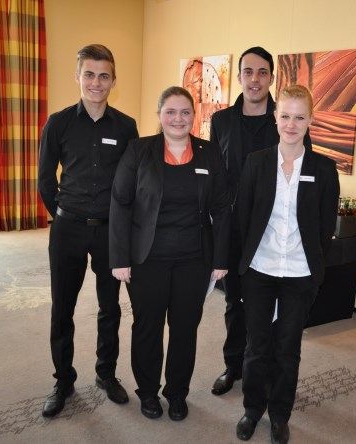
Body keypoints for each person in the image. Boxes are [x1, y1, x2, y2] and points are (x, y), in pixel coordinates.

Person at [109, 86, 230, 421]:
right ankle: (148, 392)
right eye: (171, 112)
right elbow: (120, 203)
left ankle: (177, 393)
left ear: (194, 116)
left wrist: (221, 258)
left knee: (184, 329)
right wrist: (119, 258)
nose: (178, 119)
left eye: (185, 112)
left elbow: (222, 207)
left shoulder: (209, 153)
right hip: (147, 259)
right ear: (159, 115)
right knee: (147, 327)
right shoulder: (139, 150)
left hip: (194, 259)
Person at [37, 44, 139, 417]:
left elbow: (131, 182)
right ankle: (63, 380)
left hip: (110, 232)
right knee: (62, 307)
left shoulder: (126, 126)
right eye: (89, 74)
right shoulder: (58, 123)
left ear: (113, 80)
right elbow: (45, 179)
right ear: (78, 76)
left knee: (109, 307)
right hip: (68, 229)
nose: (96, 83)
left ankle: (105, 374)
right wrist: (64, 215)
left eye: (104, 76)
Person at [234, 85, 339, 443]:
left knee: (287, 350)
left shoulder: (324, 169)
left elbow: (325, 228)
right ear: (275, 118)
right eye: (285, 116)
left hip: (299, 274)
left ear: (310, 120)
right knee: (256, 347)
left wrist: (315, 270)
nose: (291, 124)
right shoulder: (257, 162)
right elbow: (243, 218)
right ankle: (252, 410)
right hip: (260, 270)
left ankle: (279, 415)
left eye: (299, 117)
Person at [209, 46, 312, 396]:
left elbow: (304, 171)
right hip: (235, 231)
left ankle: (267, 369)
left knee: (273, 309)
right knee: (235, 303)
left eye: (262, 72)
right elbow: (216, 176)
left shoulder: (285, 119)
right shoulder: (221, 121)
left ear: (272, 77)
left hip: (272, 232)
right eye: (248, 72)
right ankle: (233, 366)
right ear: (239, 77)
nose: (255, 79)